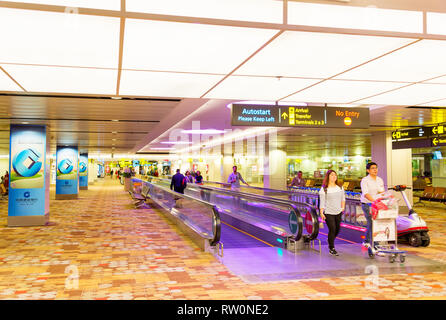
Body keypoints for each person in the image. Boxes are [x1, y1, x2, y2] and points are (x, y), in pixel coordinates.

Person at [319, 170, 345, 256]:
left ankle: (330, 239)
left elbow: (343, 199)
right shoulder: (324, 189)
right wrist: (321, 213)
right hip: (328, 212)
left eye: (335, 175)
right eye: (332, 175)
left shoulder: (340, 187)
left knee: (337, 229)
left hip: (338, 211)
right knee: (332, 229)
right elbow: (322, 202)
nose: (334, 176)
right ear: (328, 177)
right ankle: (331, 247)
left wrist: (342, 208)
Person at [360, 162, 385, 249]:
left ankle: (367, 241)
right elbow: (366, 194)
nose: (375, 170)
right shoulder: (365, 180)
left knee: (375, 223)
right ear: (368, 170)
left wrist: (384, 198)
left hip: (377, 205)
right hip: (367, 204)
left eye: (376, 168)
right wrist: (374, 201)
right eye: (373, 168)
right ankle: (375, 243)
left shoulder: (380, 180)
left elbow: (381, 192)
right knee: (371, 222)